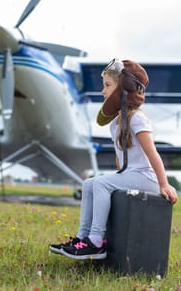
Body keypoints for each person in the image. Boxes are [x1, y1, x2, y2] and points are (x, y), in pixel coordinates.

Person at [49, 58, 178, 260]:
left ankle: (96, 241)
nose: (103, 91)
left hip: (147, 178)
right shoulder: (115, 124)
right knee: (90, 183)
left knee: (100, 184)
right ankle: (83, 238)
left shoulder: (137, 118)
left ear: (123, 89)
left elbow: (153, 153)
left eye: (108, 86)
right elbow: (122, 160)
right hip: (132, 175)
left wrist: (164, 184)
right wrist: (118, 178)